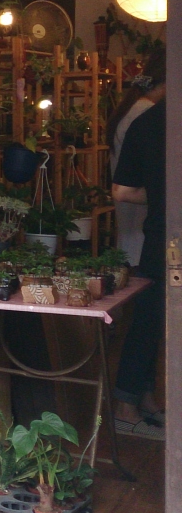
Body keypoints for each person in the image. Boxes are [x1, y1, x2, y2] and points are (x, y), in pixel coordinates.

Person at [110, 52, 166, 439]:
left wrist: (161, 198)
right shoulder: (151, 119)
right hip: (162, 234)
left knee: (149, 318)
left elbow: (123, 190)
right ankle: (128, 405)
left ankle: (140, 400)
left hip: (155, 234)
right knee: (150, 320)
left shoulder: (143, 120)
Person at [108, 54, 166, 267]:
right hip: (142, 232)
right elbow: (124, 190)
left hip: (132, 231)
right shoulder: (150, 116)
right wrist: (166, 195)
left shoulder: (134, 111)